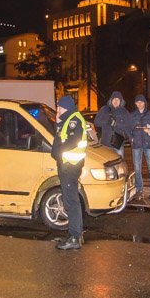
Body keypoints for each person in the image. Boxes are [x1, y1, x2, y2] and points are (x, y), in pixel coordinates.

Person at [52, 95, 88, 251]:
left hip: (70, 166)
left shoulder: (74, 120)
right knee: (70, 201)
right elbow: (61, 137)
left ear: (65, 107)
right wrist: (58, 124)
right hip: (68, 165)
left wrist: (58, 152)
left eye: (59, 107)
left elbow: (73, 141)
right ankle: (76, 234)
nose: (57, 110)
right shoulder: (68, 119)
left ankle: (74, 237)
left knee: (71, 203)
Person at [129, 95, 150, 200]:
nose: (140, 104)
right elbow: (128, 129)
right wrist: (131, 138)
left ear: (145, 103)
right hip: (136, 145)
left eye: (142, 102)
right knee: (137, 169)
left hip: (148, 144)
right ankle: (139, 190)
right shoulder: (132, 116)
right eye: (138, 102)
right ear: (135, 104)